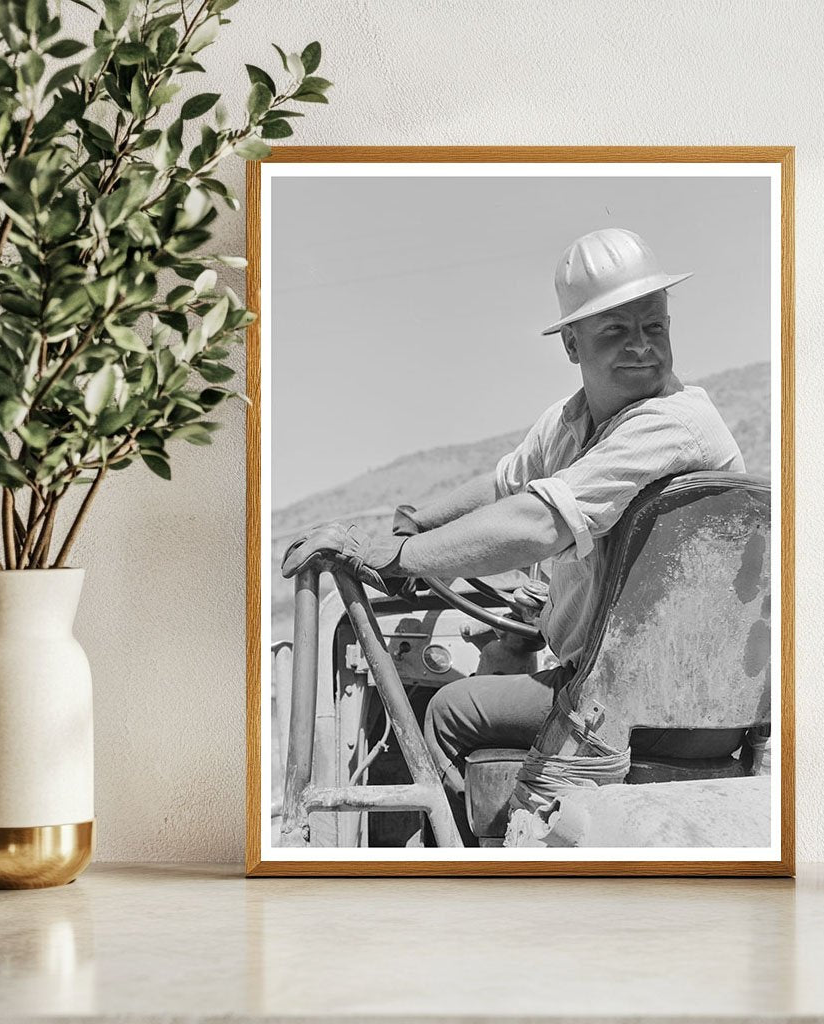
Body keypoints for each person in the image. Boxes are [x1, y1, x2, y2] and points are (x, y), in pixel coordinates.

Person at [282, 228, 746, 845]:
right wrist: (416, 524)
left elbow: (539, 520)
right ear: (572, 346)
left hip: (664, 702)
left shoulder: (675, 423)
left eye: (653, 327)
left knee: (446, 711)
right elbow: (506, 485)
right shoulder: (572, 421)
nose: (641, 347)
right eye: (615, 332)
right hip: (633, 686)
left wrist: (401, 559)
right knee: (498, 671)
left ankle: (444, 868)